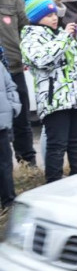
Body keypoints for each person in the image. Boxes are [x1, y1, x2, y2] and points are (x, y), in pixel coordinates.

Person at [20, 0, 77, 183]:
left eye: (55, 14)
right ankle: (53, 182)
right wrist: (65, 38)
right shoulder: (30, 37)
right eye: (49, 15)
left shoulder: (62, 35)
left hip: (76, 98)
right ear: (36, 18)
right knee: (57, 145)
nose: (54, 18)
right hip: (55, 100)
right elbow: (43, 59)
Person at [0, 0, 34, 167]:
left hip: (14, 67)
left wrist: (26, 55)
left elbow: (26, 29)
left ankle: (27, 163)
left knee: (22, 119)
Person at [0, 56, 20, 214]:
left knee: (5, 164)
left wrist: (13, 106)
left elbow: (9, 86)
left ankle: (9, 203)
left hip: (1, 124)